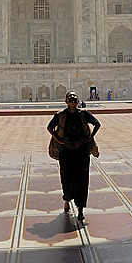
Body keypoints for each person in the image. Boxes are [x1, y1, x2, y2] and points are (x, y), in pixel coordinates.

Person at [47, 91, 101, 221]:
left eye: (74, 97)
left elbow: (97, 124)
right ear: (66, 101)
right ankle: (67, 199)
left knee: (82, 180)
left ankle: (80, 209)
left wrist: (90, 138)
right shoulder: (61, 115)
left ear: (78, 101)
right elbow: (49, 127)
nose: (72, 98)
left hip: (81, 152)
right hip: (66, 152)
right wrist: (58, 140)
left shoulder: (83, 114)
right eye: (69, 97)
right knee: (67, 178)